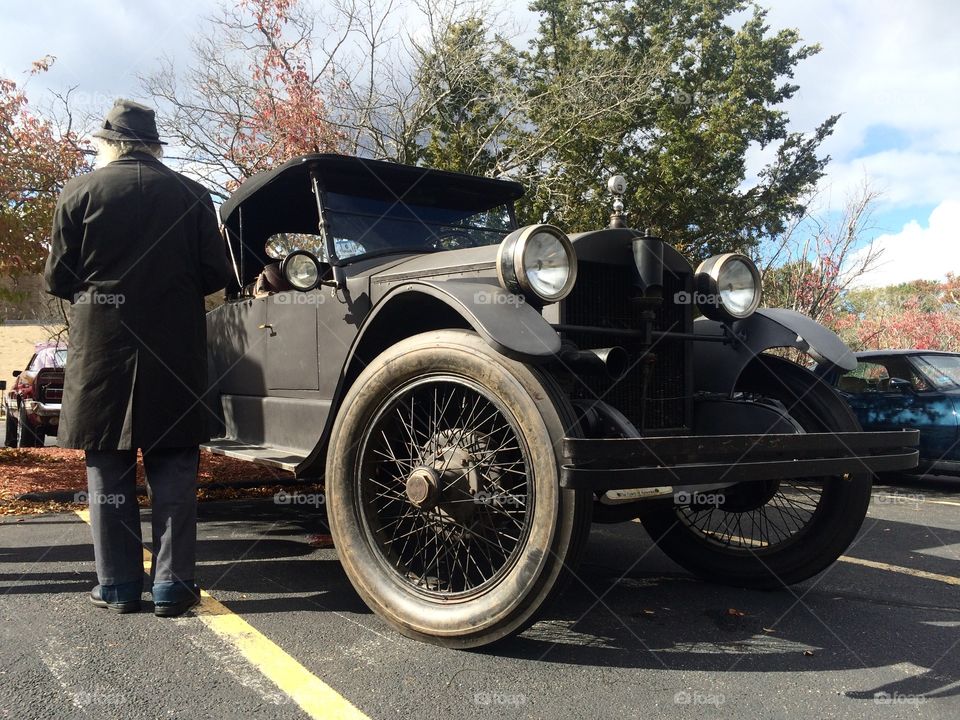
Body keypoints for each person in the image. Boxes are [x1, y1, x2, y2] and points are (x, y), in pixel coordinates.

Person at [44, 99, 231, 617]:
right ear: (153, 145)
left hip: (103, 346)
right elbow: (216, 274)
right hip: (175, 344)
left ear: (109, 144)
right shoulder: (194, 195)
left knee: (107, 461)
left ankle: (119, 585)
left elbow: (57, 278)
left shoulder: (78, 192)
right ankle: (173, 586)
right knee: (174, 463)